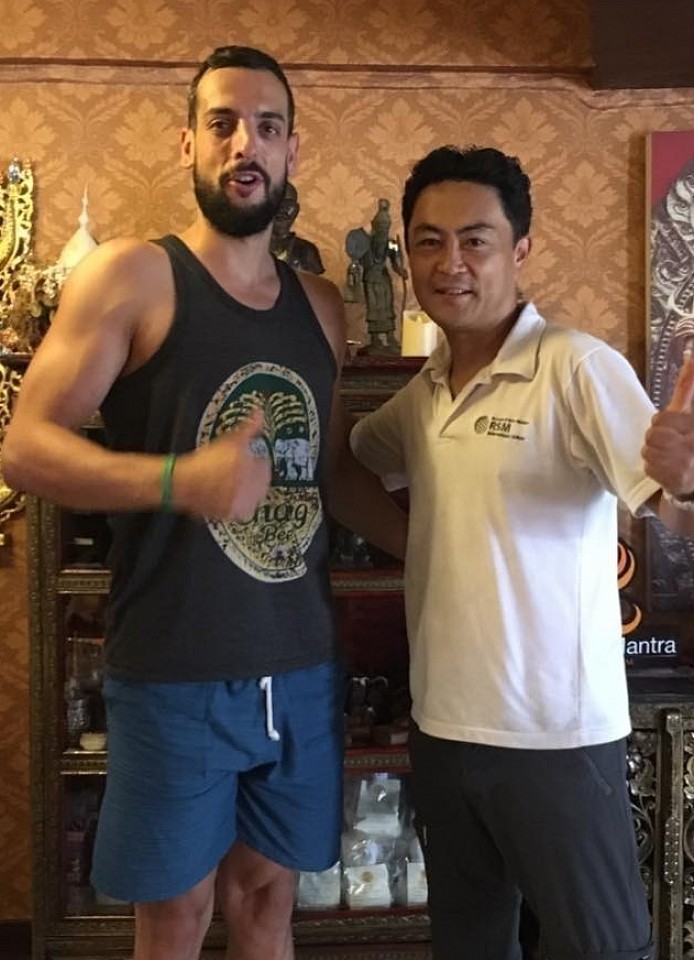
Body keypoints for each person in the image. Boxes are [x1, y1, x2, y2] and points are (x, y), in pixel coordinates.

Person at [4, 45, 405, 960]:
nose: (244, 145)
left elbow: (331, 472)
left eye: (267, 127)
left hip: (300, 667)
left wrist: (428, 549)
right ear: (187, 143)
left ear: (293, 150)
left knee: (268, 906)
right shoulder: (132, 276)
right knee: (177, 914)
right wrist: (178, 482)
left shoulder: (324, 306)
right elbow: (24, 445)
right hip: (174, 667)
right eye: (222, 124)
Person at [350, 144, 694, 960]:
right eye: (429, 241)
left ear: (521, 249)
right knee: (469, 944)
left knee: (602, 949)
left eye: (476, 240)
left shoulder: (574, 367)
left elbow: (673, 515)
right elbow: (350, 466)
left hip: (555, 739)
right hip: (442, 728)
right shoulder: (426, 390)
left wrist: (688, 483)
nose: (451, 263)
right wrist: (418, 544)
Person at [345, 198, 408, 354]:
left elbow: (395, 261)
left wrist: (400, 270)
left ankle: (390, 336)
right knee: (374, 308)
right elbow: (356, 257)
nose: (382, 232)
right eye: (380, 228)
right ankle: (375, 339)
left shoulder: (391, 243)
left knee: (387, 306)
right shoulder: (364, 242)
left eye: (385, 229)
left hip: (384, 278)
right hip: (370, 279)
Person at [270, 180, 325, 274]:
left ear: (296, 210)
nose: (282, 211)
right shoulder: (250, 250)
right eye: (277, 204)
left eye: (288, 205)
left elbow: (313, 281)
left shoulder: (307, 251)